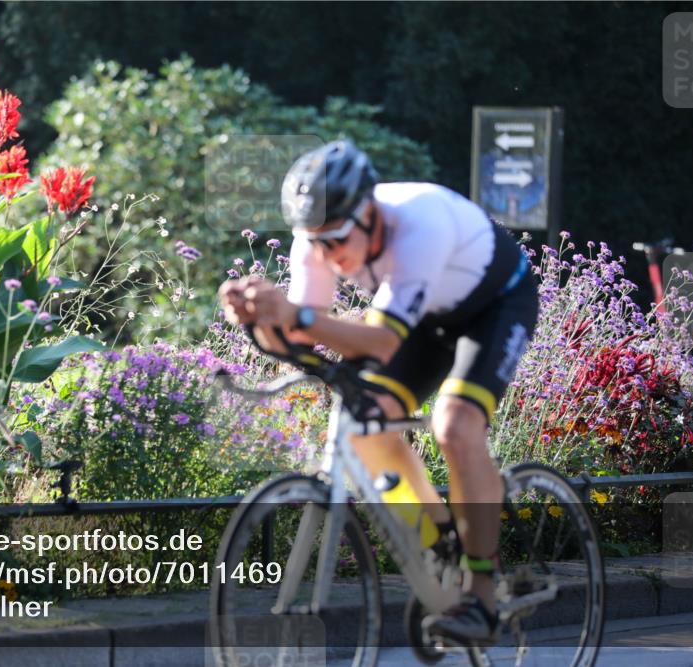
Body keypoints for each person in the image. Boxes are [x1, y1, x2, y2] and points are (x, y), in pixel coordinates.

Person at [218, 140, 539, 645]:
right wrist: (257, 320)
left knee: (455, 425)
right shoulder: (317, 240)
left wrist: (295, 317)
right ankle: (439, 539)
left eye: (338, 239)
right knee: (367, 427)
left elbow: (381, 339)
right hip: (422, 321)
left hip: (493, 308)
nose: (329, 254)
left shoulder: (418, 225)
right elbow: (303, 333)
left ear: (369, 213)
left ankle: (480, 589)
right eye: (317, 242)